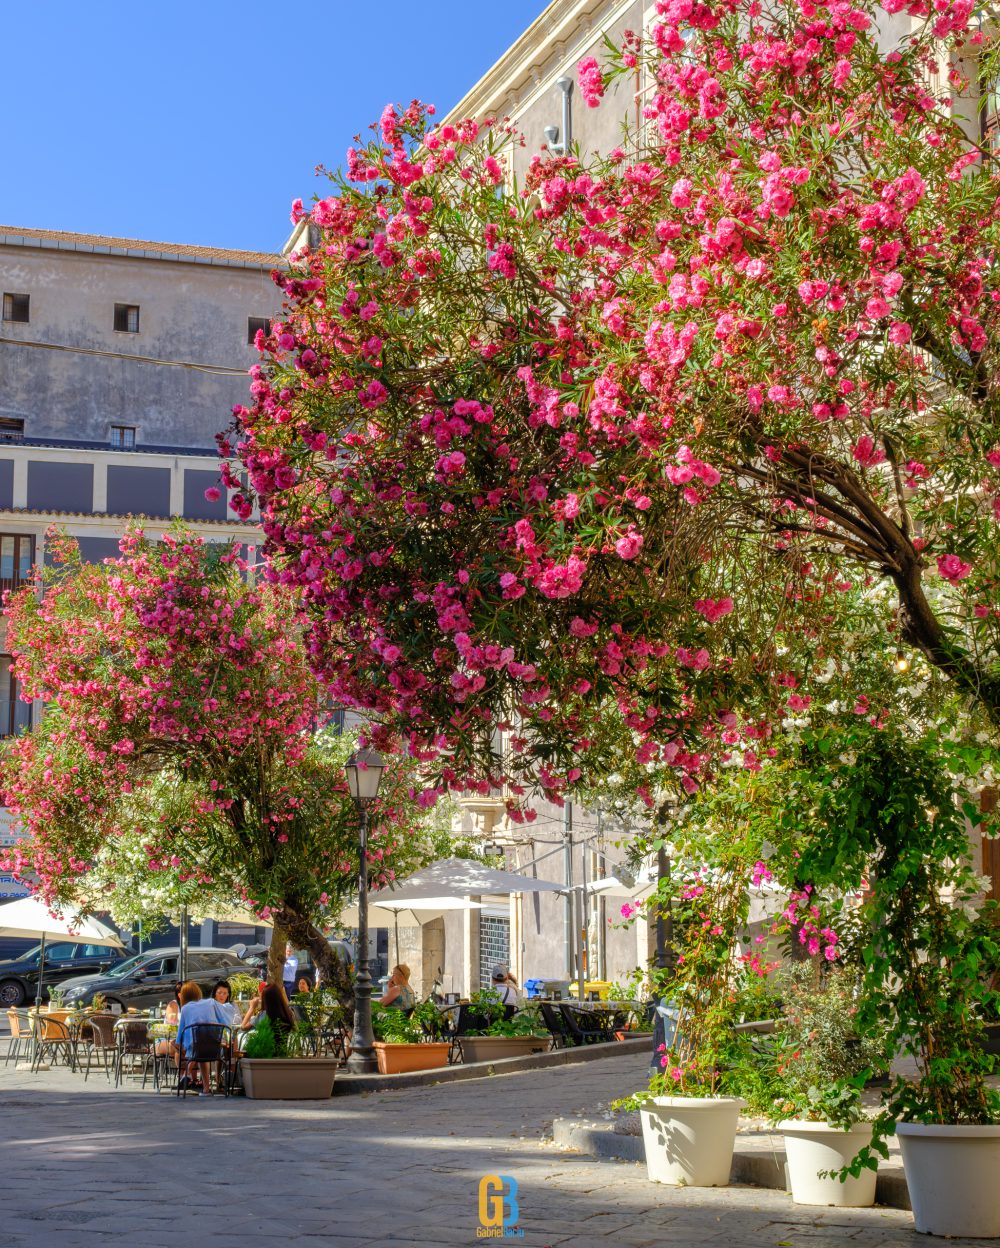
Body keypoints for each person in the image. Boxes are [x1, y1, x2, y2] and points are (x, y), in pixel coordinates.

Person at [174, 981, 230, 1096]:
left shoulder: (185, 1009)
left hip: (195, 1049)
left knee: (193, 1045)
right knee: (201, 1047)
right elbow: (225, 1022)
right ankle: (206, 1089)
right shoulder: (211, 1002)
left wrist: (177, 1044)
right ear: (198, 992)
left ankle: (187, 1073)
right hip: (214, 1049)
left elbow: (180, 1035)